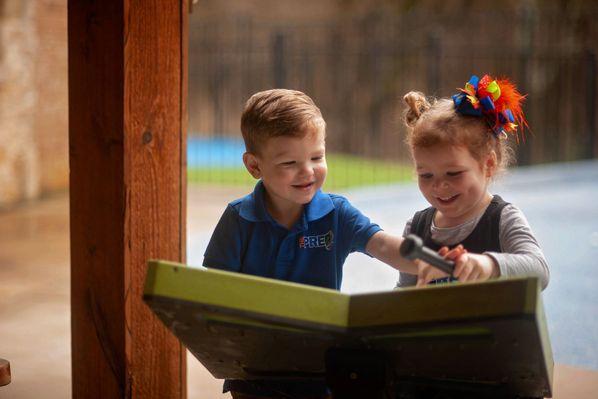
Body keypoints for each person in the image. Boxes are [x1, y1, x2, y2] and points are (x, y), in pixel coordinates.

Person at [203, 88, 420, 399]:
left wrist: (434, 261)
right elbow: (212, 291)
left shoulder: (337, 213)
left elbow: (384, 245)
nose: (307, 171)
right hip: (254, 370)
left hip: (321, 367)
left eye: (317, 157)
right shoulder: (239, 219)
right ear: (254, 166)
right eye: (289, 162)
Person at [397, 74, 550, 289]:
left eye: (453, 173)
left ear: (488, 164)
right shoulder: (416, 228)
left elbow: (539, 272)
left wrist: (489, 265)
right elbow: (402, 295)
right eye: (426, 175)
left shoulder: (502, 219)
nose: (439, 186)